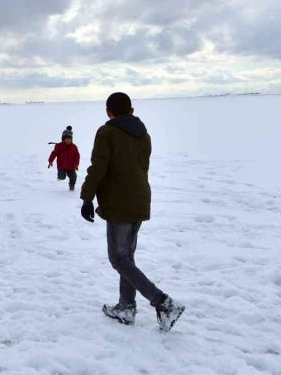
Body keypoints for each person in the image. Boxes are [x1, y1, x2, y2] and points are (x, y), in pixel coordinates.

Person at [80, 92, 185, 331]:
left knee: (118, 259)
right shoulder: (143, 134)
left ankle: (164, 303)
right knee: (127, 258)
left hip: (120, 205)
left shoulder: (107, 132)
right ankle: (126, 308)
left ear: (108, 112)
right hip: (139, 201)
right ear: (132, 111)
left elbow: (99, 168)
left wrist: (87, 198)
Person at [48, 126, 80, 191]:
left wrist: (76, 164)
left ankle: (72, 185)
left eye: (69, 139)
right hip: (61, 166)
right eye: (66, 139)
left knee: (73, 177)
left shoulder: (74, 147)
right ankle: (59, 177)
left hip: (71, 166)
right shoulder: (59, 146)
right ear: (63, 139)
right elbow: (54, 153)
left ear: (71, 139)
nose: (68, 140)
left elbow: (77, 155)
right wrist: (50, 161)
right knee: (62, 177)